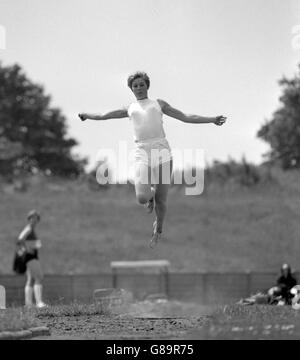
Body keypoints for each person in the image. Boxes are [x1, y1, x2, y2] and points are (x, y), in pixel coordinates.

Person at [79, 71, 226, 248]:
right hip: (142, 150)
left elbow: (186, 117)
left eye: (142, 84)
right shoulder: (130, 108)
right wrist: (87, 115)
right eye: (135, 86)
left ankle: (159, 229)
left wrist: (211, 119)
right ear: (131, 89)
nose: (139, 88)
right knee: (141, 197)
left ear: (147, 86)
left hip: (162, 151)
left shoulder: (159, 104)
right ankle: (149, 198)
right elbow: (104, 115)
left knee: (162, 200)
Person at [17, 210, 47, 308]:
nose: (34, 220)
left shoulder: (31, 229)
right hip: (30, 256)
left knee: (30, 279)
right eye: (32, 218)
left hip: (30, 256)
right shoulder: (29, 228)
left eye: (36, 218)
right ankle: (39, 302)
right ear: (29, 219)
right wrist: (26, 249)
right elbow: (20, 239)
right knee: (39, 277)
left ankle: (29, 304)